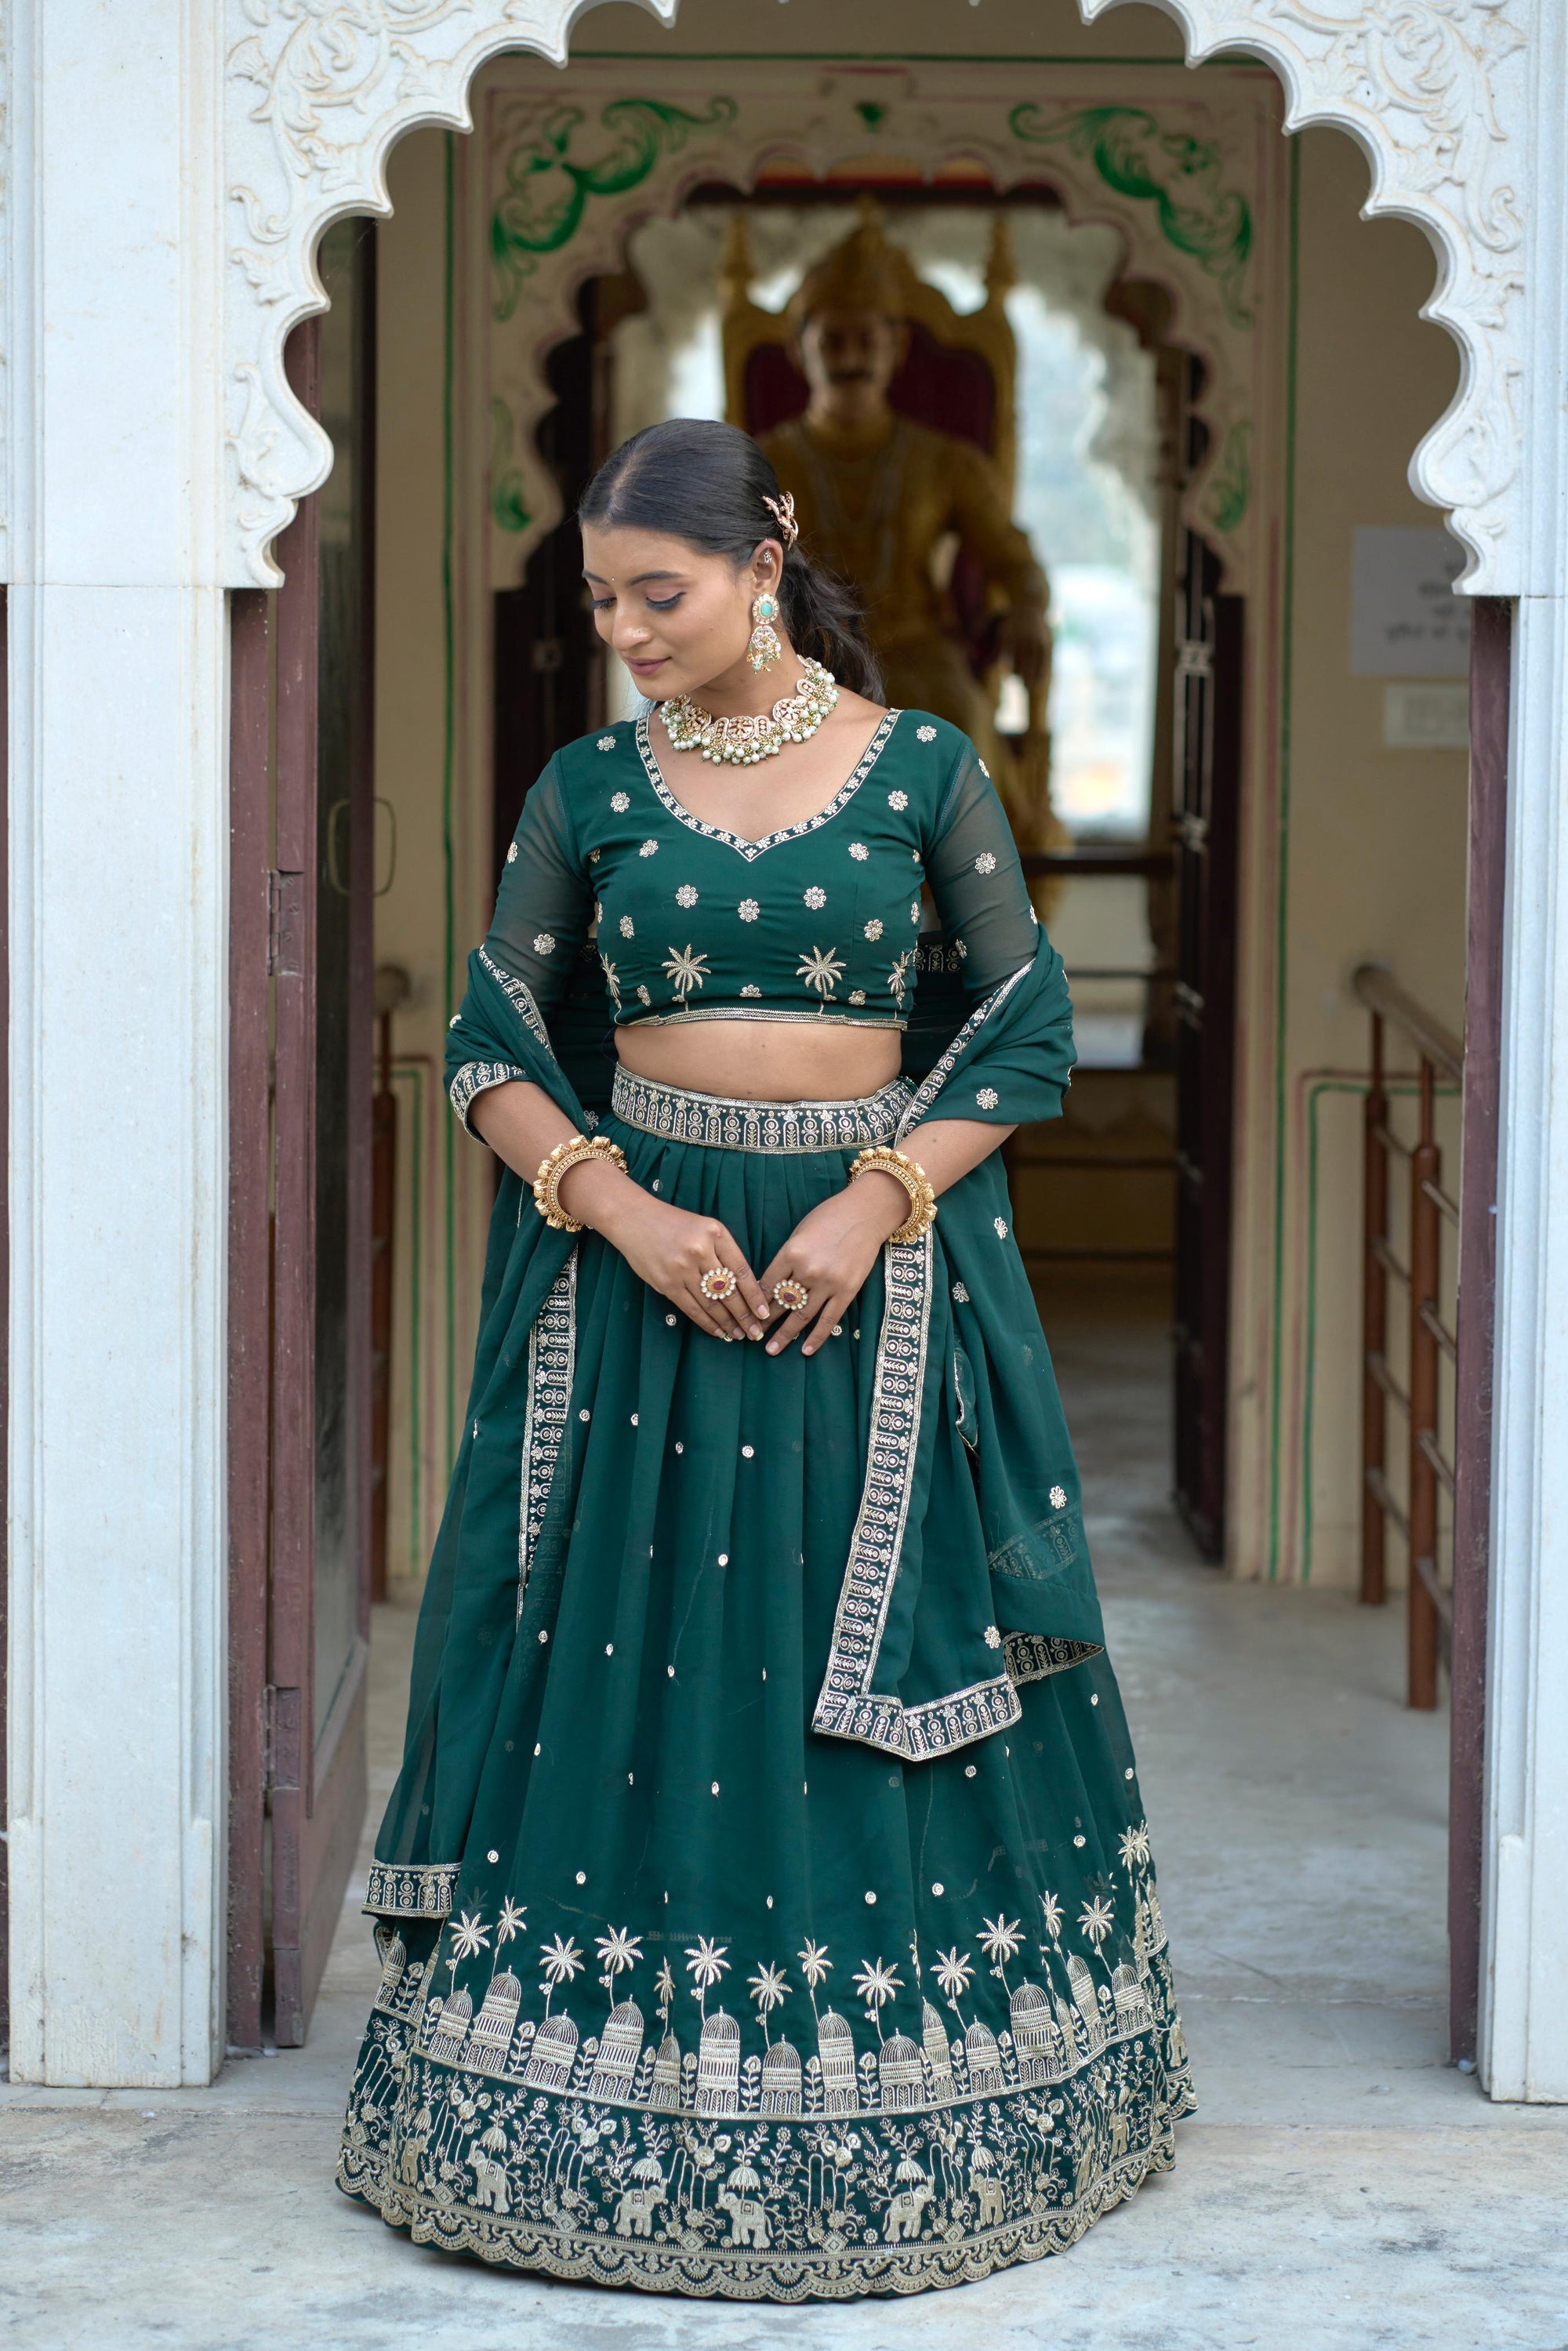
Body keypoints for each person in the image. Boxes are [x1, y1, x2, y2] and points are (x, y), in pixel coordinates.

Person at [337, 417, 1192, 2298]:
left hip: (856, 1280)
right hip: (647, 1285)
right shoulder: (586, 787)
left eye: (662, 593)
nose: (630, 632)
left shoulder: (919, 771)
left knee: (838, 1658)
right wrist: (615, 1206)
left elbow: (1022, 1030)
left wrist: (876, 1198)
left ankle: (916, 2097)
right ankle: (585, 2097)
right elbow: (490, 1042)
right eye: (603, 602)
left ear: (763, 558)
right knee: (639, 1657)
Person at [758, 213, 1051, 799]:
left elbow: (1013, 558)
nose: (851, 358)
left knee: (955, 736)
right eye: (833, 340)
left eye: (867, 340)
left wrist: (1028, 605)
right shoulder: (760, 463)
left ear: (896, 348)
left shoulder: (945, 461)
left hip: (918, 656)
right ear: (800, 350)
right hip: (800, 655)